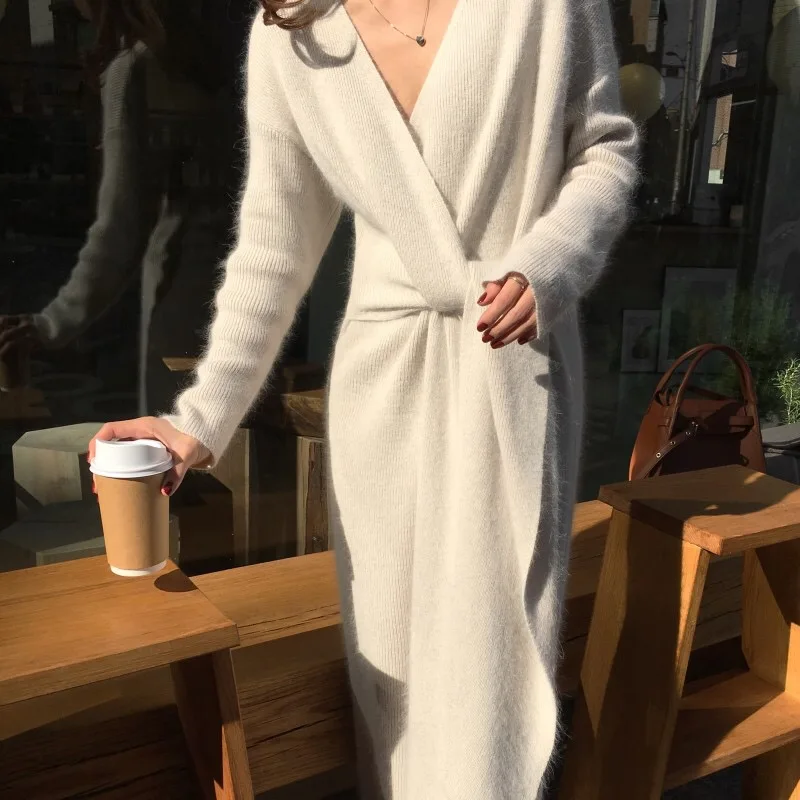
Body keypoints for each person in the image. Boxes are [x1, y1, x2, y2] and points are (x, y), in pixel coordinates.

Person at [90, 0, 639, 796]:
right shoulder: (293, 30)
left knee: (491, 681)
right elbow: (275, 243)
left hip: (513, 365)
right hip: (381, 388)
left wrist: (550, 263)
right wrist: (200, 418)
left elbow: (603, 148)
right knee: (395, 691)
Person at [0, 0, 244, 415]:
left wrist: (49, 324)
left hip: (180, 309)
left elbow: (120, 230)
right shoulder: (229, 63)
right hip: (253, 303)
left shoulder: (134, 74)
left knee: (176, 443)